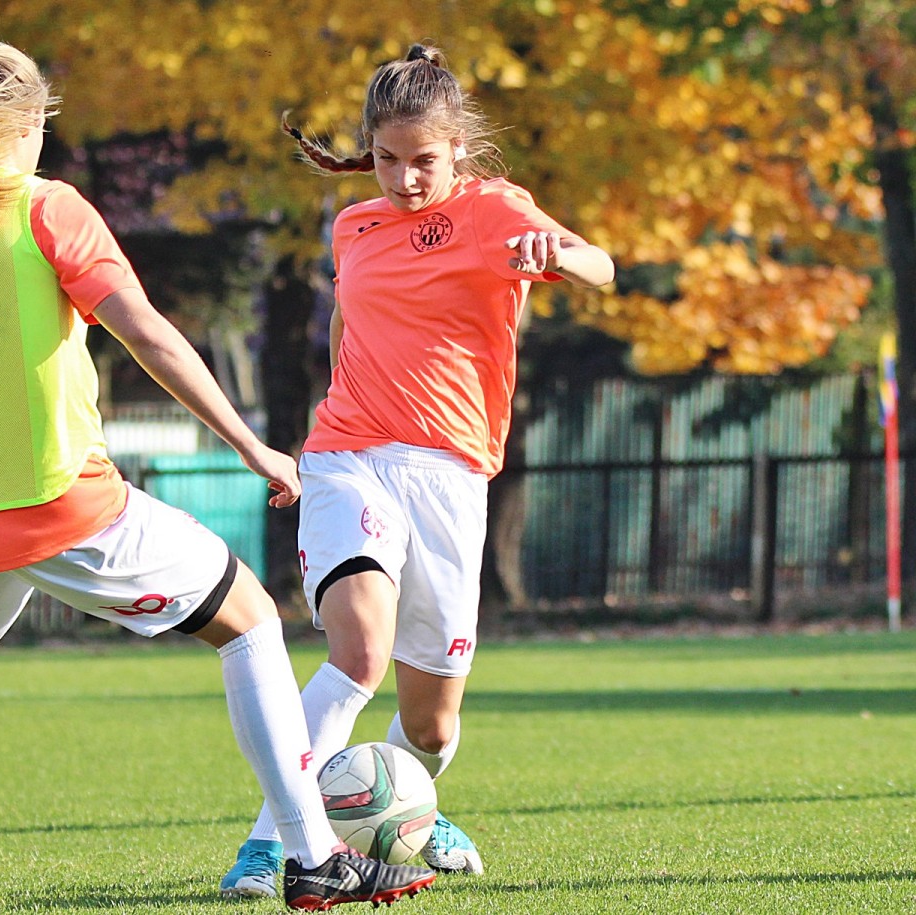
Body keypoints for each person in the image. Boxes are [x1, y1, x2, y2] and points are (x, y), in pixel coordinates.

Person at [0, 41, 436, 915]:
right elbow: (145, 332)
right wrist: (249, 445)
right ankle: (313, 856)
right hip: (60, 502)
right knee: (250, 619)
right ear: (24, 129)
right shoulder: (50, 210)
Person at [220, 43, 615, 899]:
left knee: (432, 726)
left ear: (458, 148)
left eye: (423, 160)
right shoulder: (353, 225)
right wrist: (320, 429)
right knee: (358, 653)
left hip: (450, 474)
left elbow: (602, 266)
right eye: (387, 158)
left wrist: (556, 254)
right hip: (348, 457)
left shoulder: (496, 209)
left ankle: (409, 811)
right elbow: (347, 327)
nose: (404, 178)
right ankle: (271, 845)